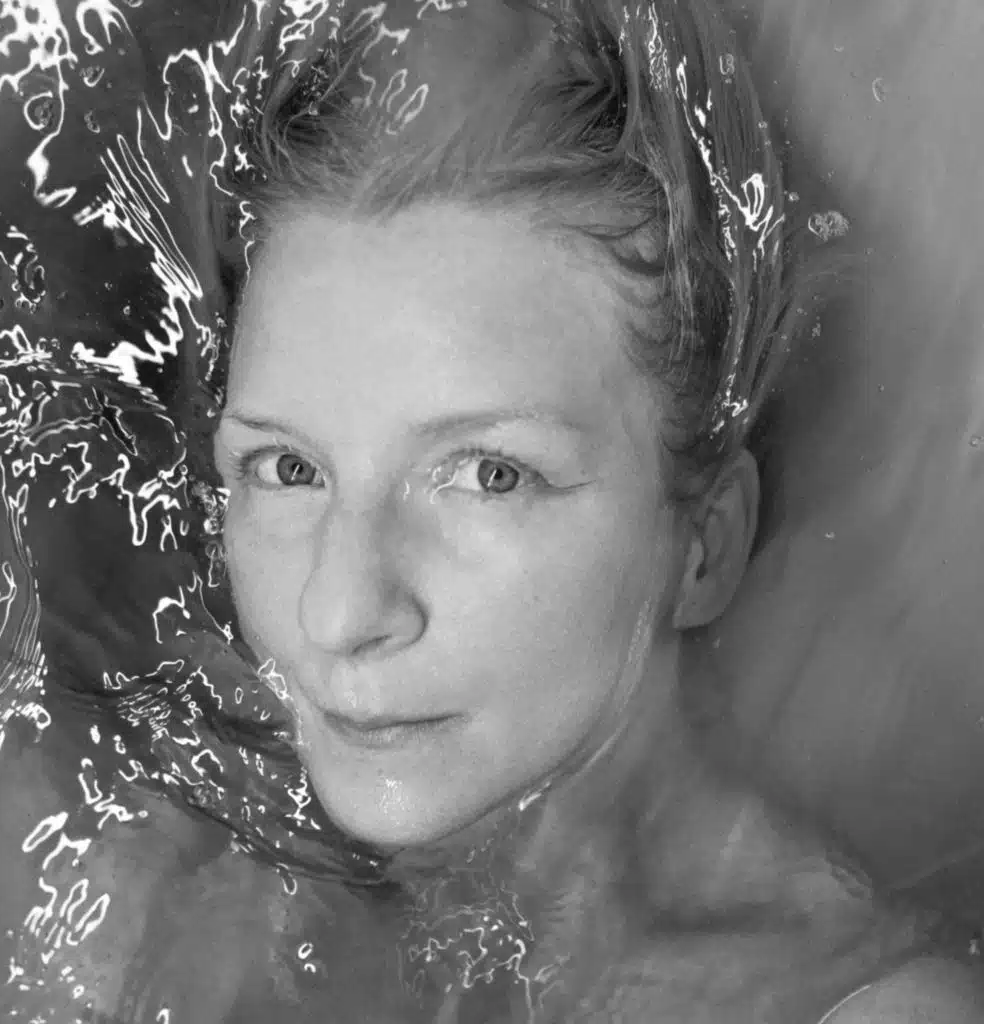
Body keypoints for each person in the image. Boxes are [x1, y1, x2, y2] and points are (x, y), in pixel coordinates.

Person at [210, 0, 984, 1019]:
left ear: (703, 544)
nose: (339, 613)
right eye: (286, 468)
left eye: (490, 474)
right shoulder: (206, 883)